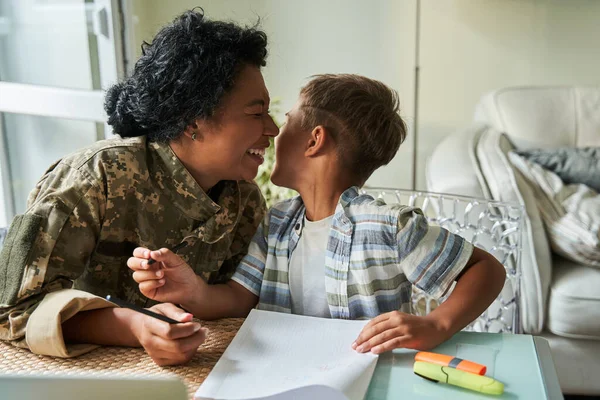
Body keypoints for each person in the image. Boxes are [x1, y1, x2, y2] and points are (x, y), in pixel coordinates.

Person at [128, 74, 507, 354]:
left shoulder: (390, 225)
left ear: (315, 140)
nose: (274, 131)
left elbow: (486, 269)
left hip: (369, 379)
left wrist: (436, 323)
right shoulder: (276, 223)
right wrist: (191, 290)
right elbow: (237, 298)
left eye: (288, 120)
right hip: (289, 371)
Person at [0, 9, 278, 366]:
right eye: (257, 113)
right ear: (194, 120)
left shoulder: (244, 200)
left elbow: (239, 300)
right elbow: (12, 309)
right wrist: (133, 325)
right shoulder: (95, 176)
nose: (273, 128)